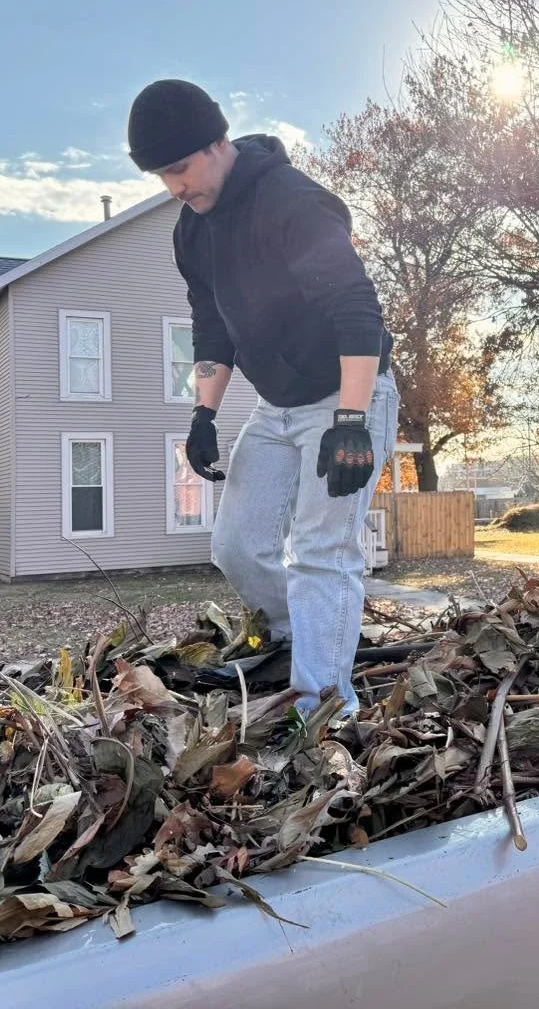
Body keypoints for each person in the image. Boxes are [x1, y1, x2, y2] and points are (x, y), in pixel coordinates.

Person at [127, 78, 399, 719]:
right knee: (237, 546)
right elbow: (211, 325)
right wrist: (204, 412)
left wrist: (351, 421)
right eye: (161, 175)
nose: (174, 187)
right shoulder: (192, 233)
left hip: (347, 394)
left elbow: (358, 312)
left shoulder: (293, 202)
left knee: (322, 550)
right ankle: (300, 638)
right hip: (276, 407)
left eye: (180, 168)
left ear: (216, 143)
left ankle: (323, 708)